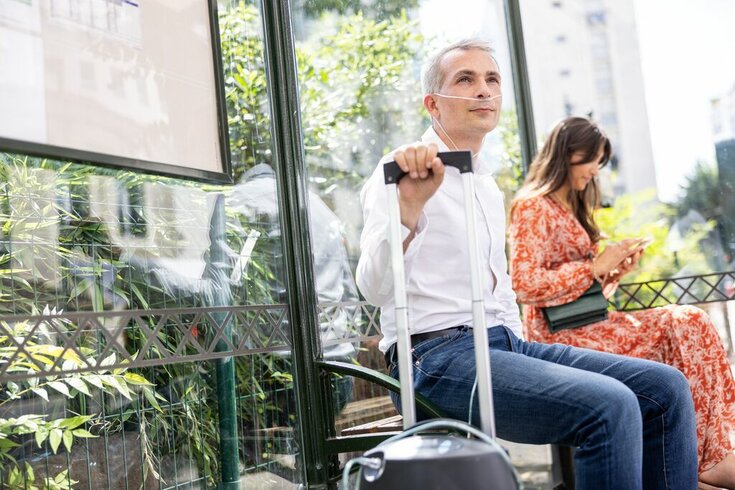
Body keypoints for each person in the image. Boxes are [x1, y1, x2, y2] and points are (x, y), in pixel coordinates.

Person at [356, 38, 698, 489]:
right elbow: (373, 288)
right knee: (610, 405)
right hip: (435, 359)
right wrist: (408, 211)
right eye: (466, 79)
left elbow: (501, 294)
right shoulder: (401, 170)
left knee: (665, 389)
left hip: (504, 345)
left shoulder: (485, 185)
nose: (484, 90)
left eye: (492, 79)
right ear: (432, 104)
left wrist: (527, 351)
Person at [508, 116, 735, 489]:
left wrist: (613, 271)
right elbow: (525, 284)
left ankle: (702, 455)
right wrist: (595, 265)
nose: (595, 170)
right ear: (567, 154)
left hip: (591, 325)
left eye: (600, 161)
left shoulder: (572, 207)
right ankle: (705, 461)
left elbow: (582, 290)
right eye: (591, 159)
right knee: (685, 322)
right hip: (559, 339)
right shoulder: (534, 207)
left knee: (687, 325)